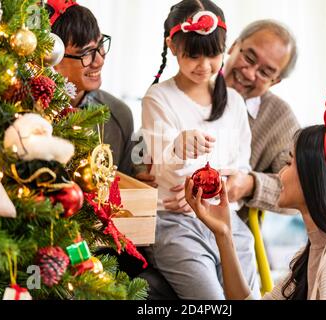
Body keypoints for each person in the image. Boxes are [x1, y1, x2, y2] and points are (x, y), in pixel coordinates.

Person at [185, 85, 326, 299]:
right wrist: (224, 233)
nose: (281, 174)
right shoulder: (314, 252)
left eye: (290, 163)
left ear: (317, 179)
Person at [141, 0, 260, 299]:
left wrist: (218, 186)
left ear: (226, 49)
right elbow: (165, 166)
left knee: (246, 297)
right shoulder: (158, 98)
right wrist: (179, 148)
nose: (204, 66)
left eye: (213, 55)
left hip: (226, 219)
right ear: (173, 46)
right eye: (192, 55)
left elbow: (240, 164)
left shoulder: (233, 101)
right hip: (175, 224)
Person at [164, 19, 300, 217]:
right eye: (250, 59)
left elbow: (302, 193)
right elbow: (145, 145)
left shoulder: (280, 118)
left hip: (230, 225)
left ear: (275, 81)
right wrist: (146, 169)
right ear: (234, 46)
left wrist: (250, 185)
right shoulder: (189, 81)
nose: (250, 73)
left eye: (265, 72)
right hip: (170, 214)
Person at [46, 0, 149, 179]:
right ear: (52, 57)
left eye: (100, 46)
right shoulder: (26, 117)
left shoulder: (118, 114)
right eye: (86, 53)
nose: (99, 60)